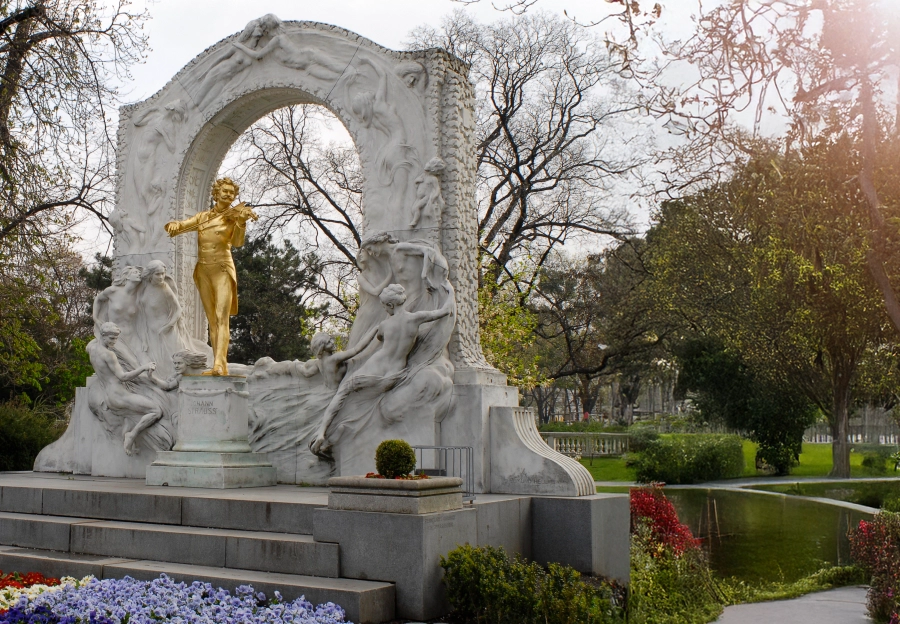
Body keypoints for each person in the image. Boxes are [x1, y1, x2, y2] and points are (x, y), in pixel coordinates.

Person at [309, 283, 453, 455]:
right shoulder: (416, 318)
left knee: (343, 393)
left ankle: (322, 432)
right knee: (361, 401)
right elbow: (445, 311)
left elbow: (373, 341)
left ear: (390, 305)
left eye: (384, 306)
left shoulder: (384, 325)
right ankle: (338, 432)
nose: (384, 309)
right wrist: (450, 291)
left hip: (376, 367)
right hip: (395, 373)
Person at [164, 177, 258, 375]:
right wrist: (173, 224)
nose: (228, 195)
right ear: (216, 193)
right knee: (212, 320)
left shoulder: (233, 218)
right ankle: (218, 363)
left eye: (232, 193)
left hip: (222, 268)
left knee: (222, 317)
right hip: (203, 270)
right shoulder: (203, 217)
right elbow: (182, 225)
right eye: (225, 191)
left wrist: (241, 222)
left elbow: (238, 243)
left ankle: (219, 364)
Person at [86, 323, 160, 456]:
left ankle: (128, 432)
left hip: (109, 396)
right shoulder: (108, 355)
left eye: (116, 338)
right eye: (111, 338)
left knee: (132, 414)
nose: (114, 342)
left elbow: (90, 346)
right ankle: (131, 435)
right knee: (156, 411)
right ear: (103, 335)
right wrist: (144, 367)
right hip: (118, 395)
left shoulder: (91, 348)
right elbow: (123, 376)